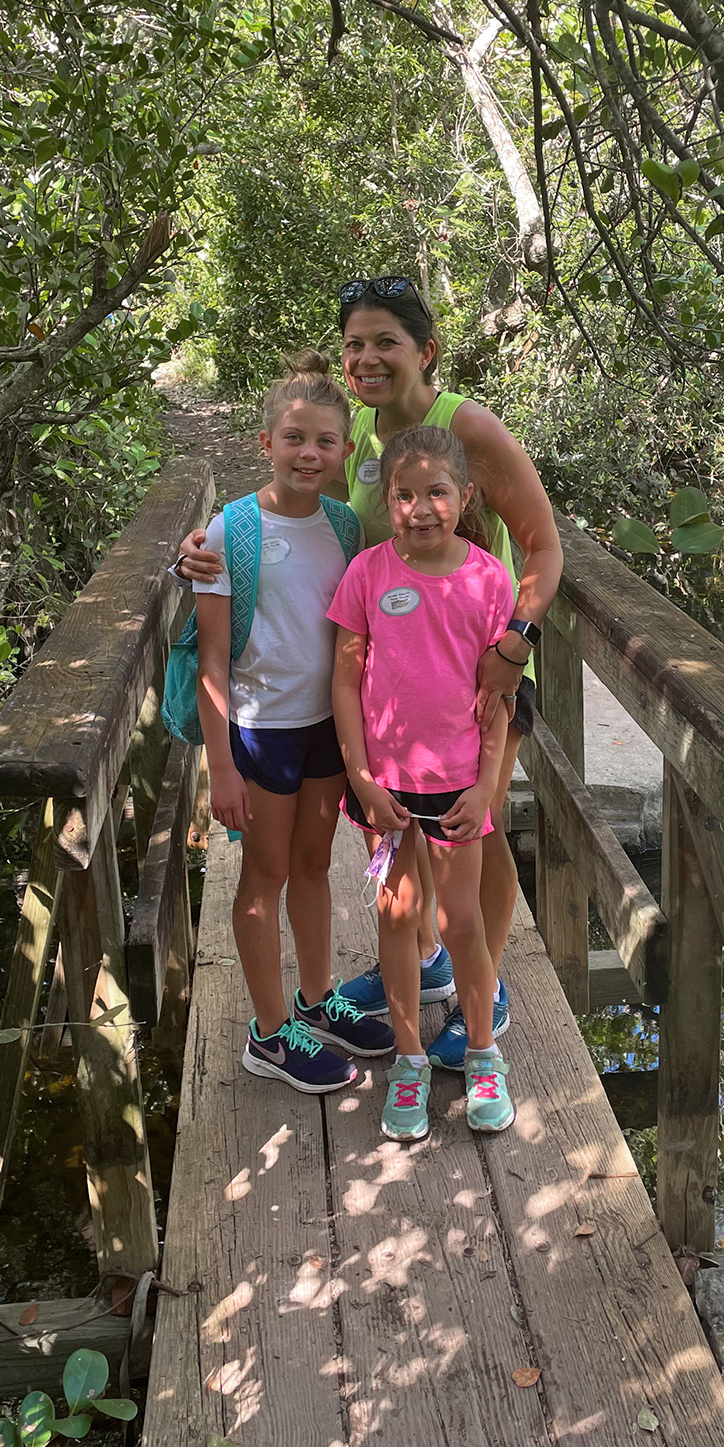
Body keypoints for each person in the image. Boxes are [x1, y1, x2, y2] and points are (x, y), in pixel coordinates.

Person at [176, 278, 563, 1069]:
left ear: (426, 351)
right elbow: (321, 543)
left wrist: (516, 644)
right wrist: (204, 549)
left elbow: (545, 546)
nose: (367, 358)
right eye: (355, 343)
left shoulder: (466, 425)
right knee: (407, 845)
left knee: (475, 831)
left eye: (385, 341)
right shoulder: (355, 440)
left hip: (484, 669)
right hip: (390, 695)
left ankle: (485, 989)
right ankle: (422, 966)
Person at [193, 354, 399, 1094]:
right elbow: (211, 663)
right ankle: (270, 1034)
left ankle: (318, 1001)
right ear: (266, 443)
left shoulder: (345, 526)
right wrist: (220, 764)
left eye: (324, 442)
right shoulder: (228, 532)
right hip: (260, 731)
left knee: (314, 867)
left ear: (345, 452)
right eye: (294, 439)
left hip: (325, 729)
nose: (308, 454)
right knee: (265, 876)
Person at [328, 422, 520, 1140]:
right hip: (385, 786)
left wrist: (485, 783)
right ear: (389, 500)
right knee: (397, 918)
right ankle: (408, 1062)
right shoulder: (369, 574)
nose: (420, 508)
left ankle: (481, 1051)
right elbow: (345, 680)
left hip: (458, 786)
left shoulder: (488, 578)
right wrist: (361, 774)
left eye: (436, 492)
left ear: (463, 496)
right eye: (404, 494)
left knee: (461, 921)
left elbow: (497, 695)